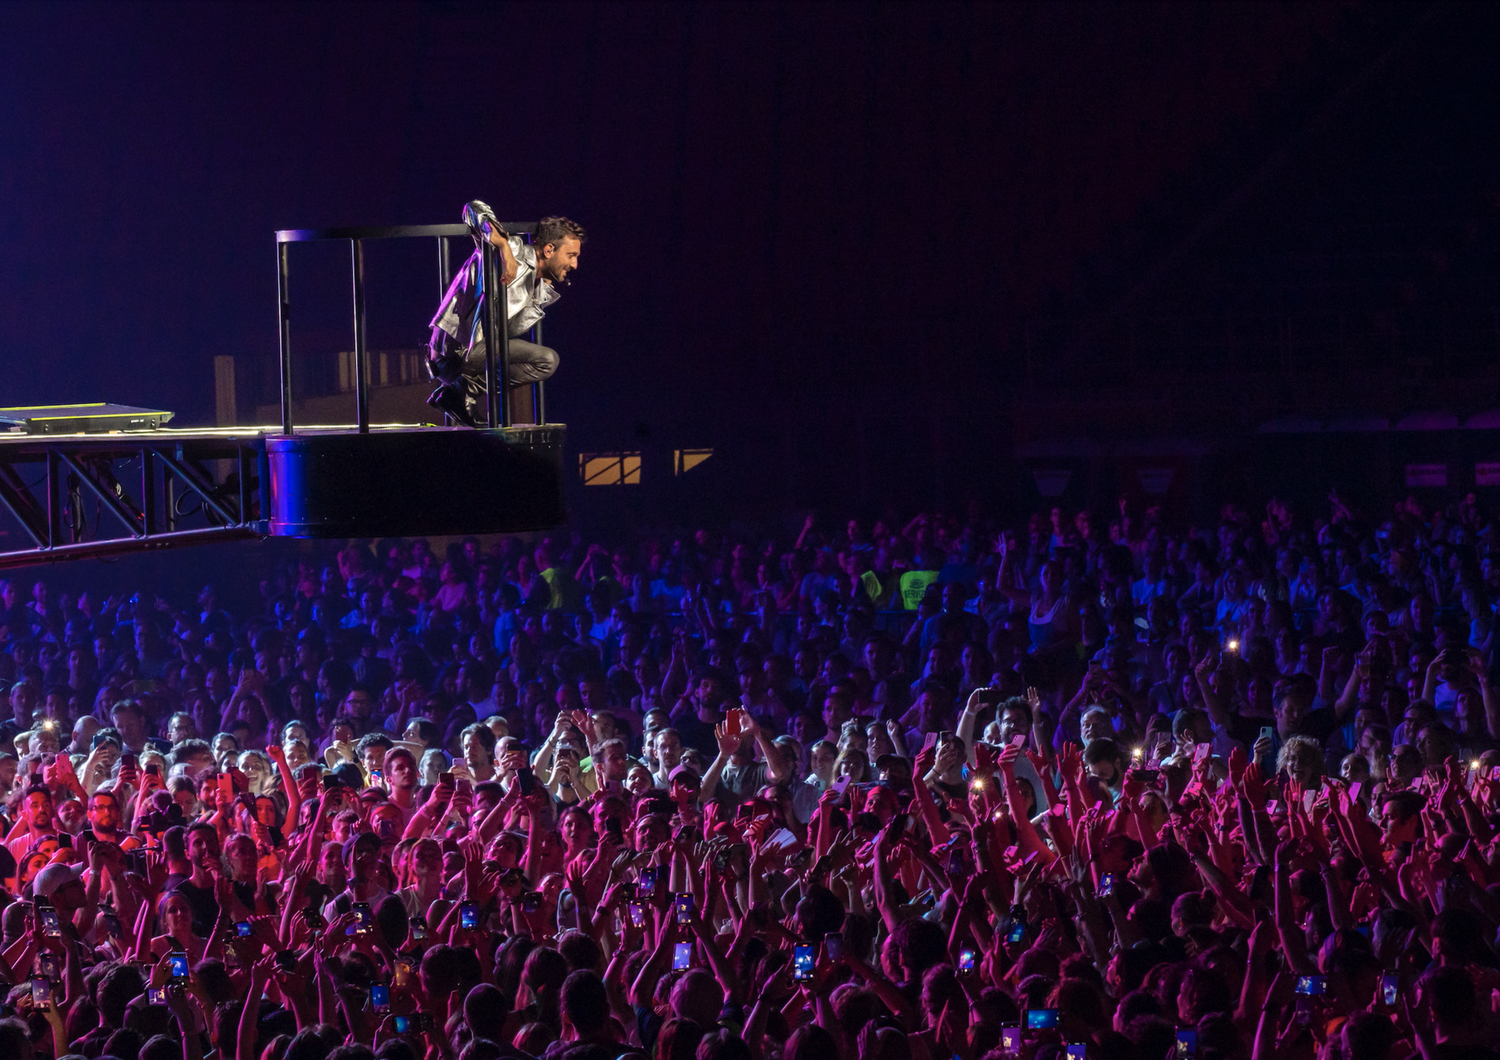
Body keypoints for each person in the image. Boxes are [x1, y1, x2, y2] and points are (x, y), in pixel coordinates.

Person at [425, 202, 586, 427]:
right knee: (546, 359)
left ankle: (460, 392)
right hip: (454, 353)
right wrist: (503, 245)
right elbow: (473, 207)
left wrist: (540, 294)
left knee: (547, 361)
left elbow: (508, 330)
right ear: (549, 250)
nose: (575, 264)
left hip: (474, 354)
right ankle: (458, 392)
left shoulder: (536, 284)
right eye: (571, 255)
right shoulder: (514, 251)